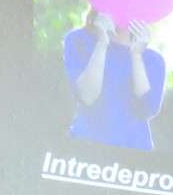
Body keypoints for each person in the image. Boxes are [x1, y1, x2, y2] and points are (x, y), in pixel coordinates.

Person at [64, 11, 165, 151]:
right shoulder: (78, 39)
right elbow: (87, 96)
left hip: (134, 154)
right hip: (86, 146)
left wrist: (136, 55)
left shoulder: (154, 59)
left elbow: (148, 108)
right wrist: (102, 43)